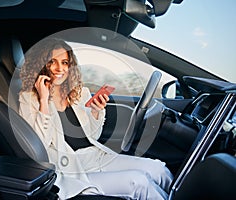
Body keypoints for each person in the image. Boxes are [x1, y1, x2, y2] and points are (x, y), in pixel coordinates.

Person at [19, 37, 173, 200]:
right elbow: (39, 145)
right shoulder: (29, 98)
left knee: (158, 168)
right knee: (138, 182)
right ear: (42, 65)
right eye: (52, 62)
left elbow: (93, 136)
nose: (59, 68)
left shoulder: (78, 93)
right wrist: (43, 100)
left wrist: (95, 112)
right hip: (71, 168)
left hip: (96, 156)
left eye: (65, 62)